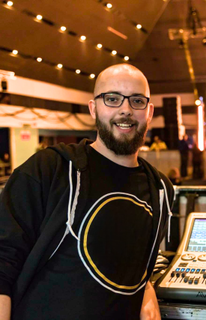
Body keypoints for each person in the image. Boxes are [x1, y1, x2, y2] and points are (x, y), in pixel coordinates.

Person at [0, 64, 174, 320]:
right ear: (93, 108)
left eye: (137, 100)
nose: (125, 109)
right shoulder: (50, 169)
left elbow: (132, 262)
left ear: (149, 112)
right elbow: (4, 261)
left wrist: (146, 289)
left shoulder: (160, 189)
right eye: (112, 99)